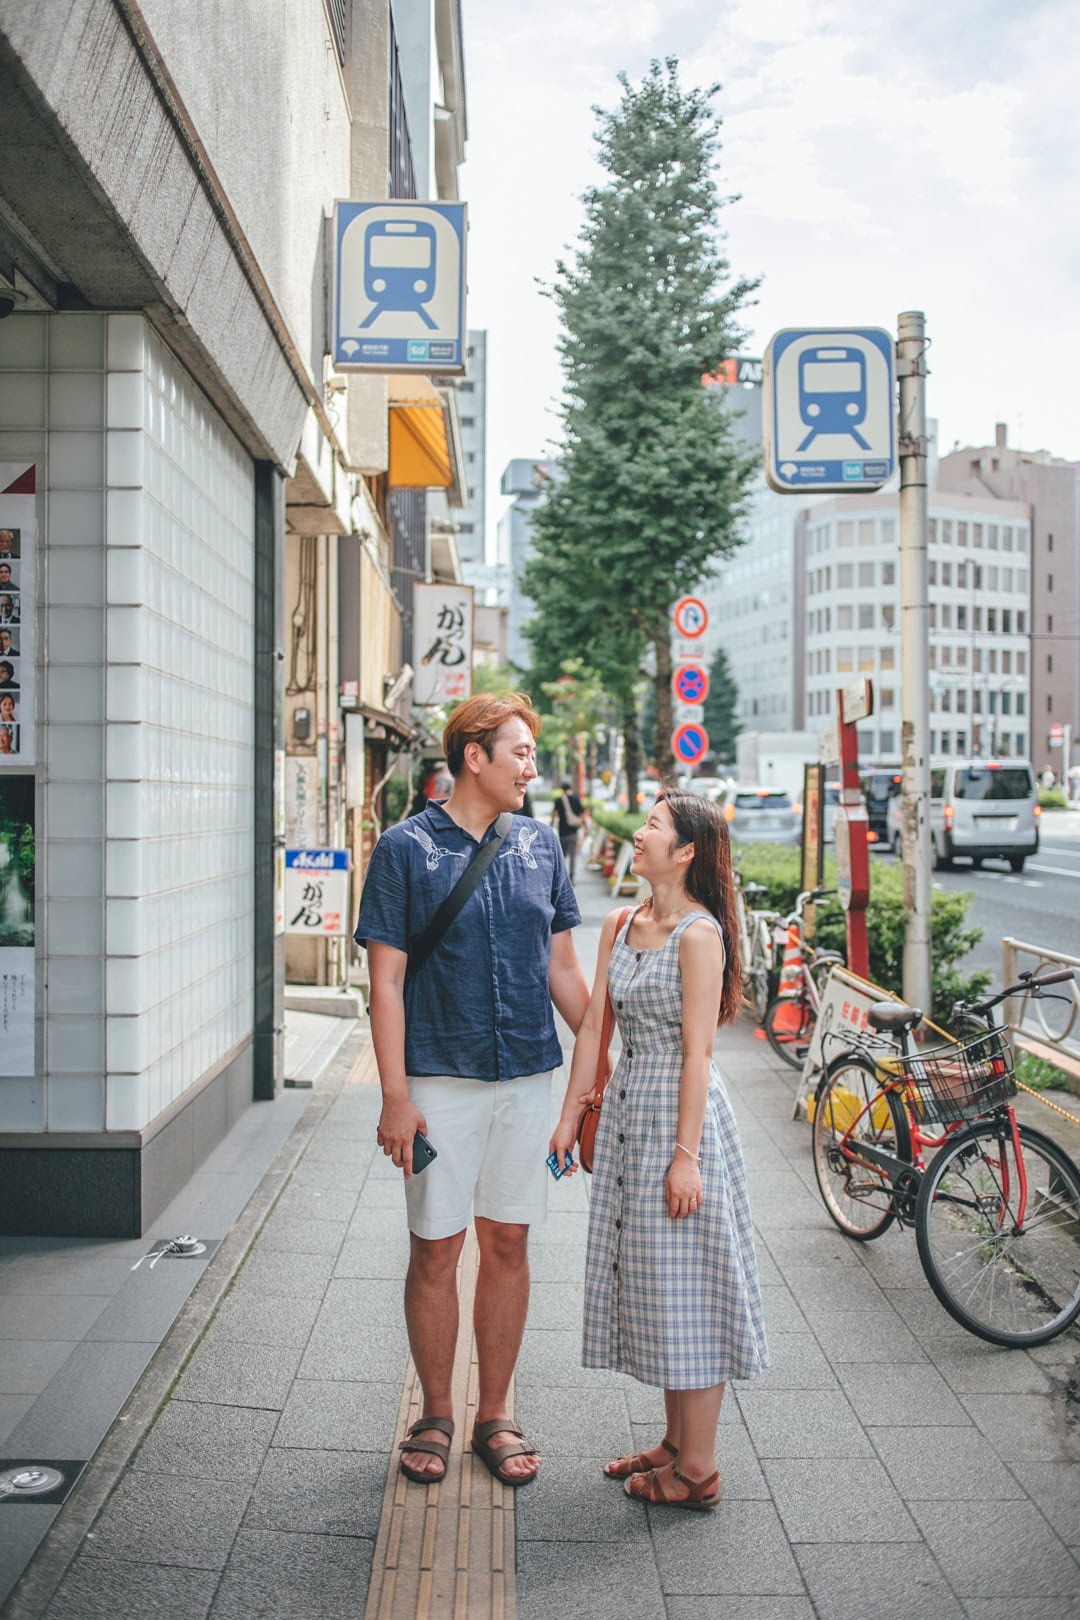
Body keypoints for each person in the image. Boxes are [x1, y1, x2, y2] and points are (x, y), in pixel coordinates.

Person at [355, 692, 590, 1489]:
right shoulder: (405, 850)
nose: (531, 765)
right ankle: (434, 1411)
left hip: (527, 1073)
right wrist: (394, 1095)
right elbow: (384, 983)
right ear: (473, 758)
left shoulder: (539, 845)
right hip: (437, 1077)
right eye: (519, 751)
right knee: (435, 1247)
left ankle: (494, 1412)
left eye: (531, 752)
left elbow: (562, 970)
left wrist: (601, 1069)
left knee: (510, 1242)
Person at [550, 788, 768, 1511]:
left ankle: (697, 1471)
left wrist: (687, 1156)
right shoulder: (621, 921)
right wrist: (569, 1115)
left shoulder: (699, 936)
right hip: (628, 1114)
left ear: (686, 853)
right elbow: (592, 1033)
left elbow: (700, 1055)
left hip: (683, 1119)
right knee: (662, 1280)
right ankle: (676, 1443)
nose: (638, 833)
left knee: (693, 1286)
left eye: (652, 825)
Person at [552, 778, 587, 880]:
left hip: (562, 832)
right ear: (570, 788)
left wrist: (552, 825)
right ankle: (572, 876)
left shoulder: (559, 800)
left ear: (562, 789)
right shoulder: (576, 799)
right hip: (573, 832)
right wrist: (585, 827)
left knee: (562, 856)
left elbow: (554, 815)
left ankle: (560, 877)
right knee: (573, 856)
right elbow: (582, 815)